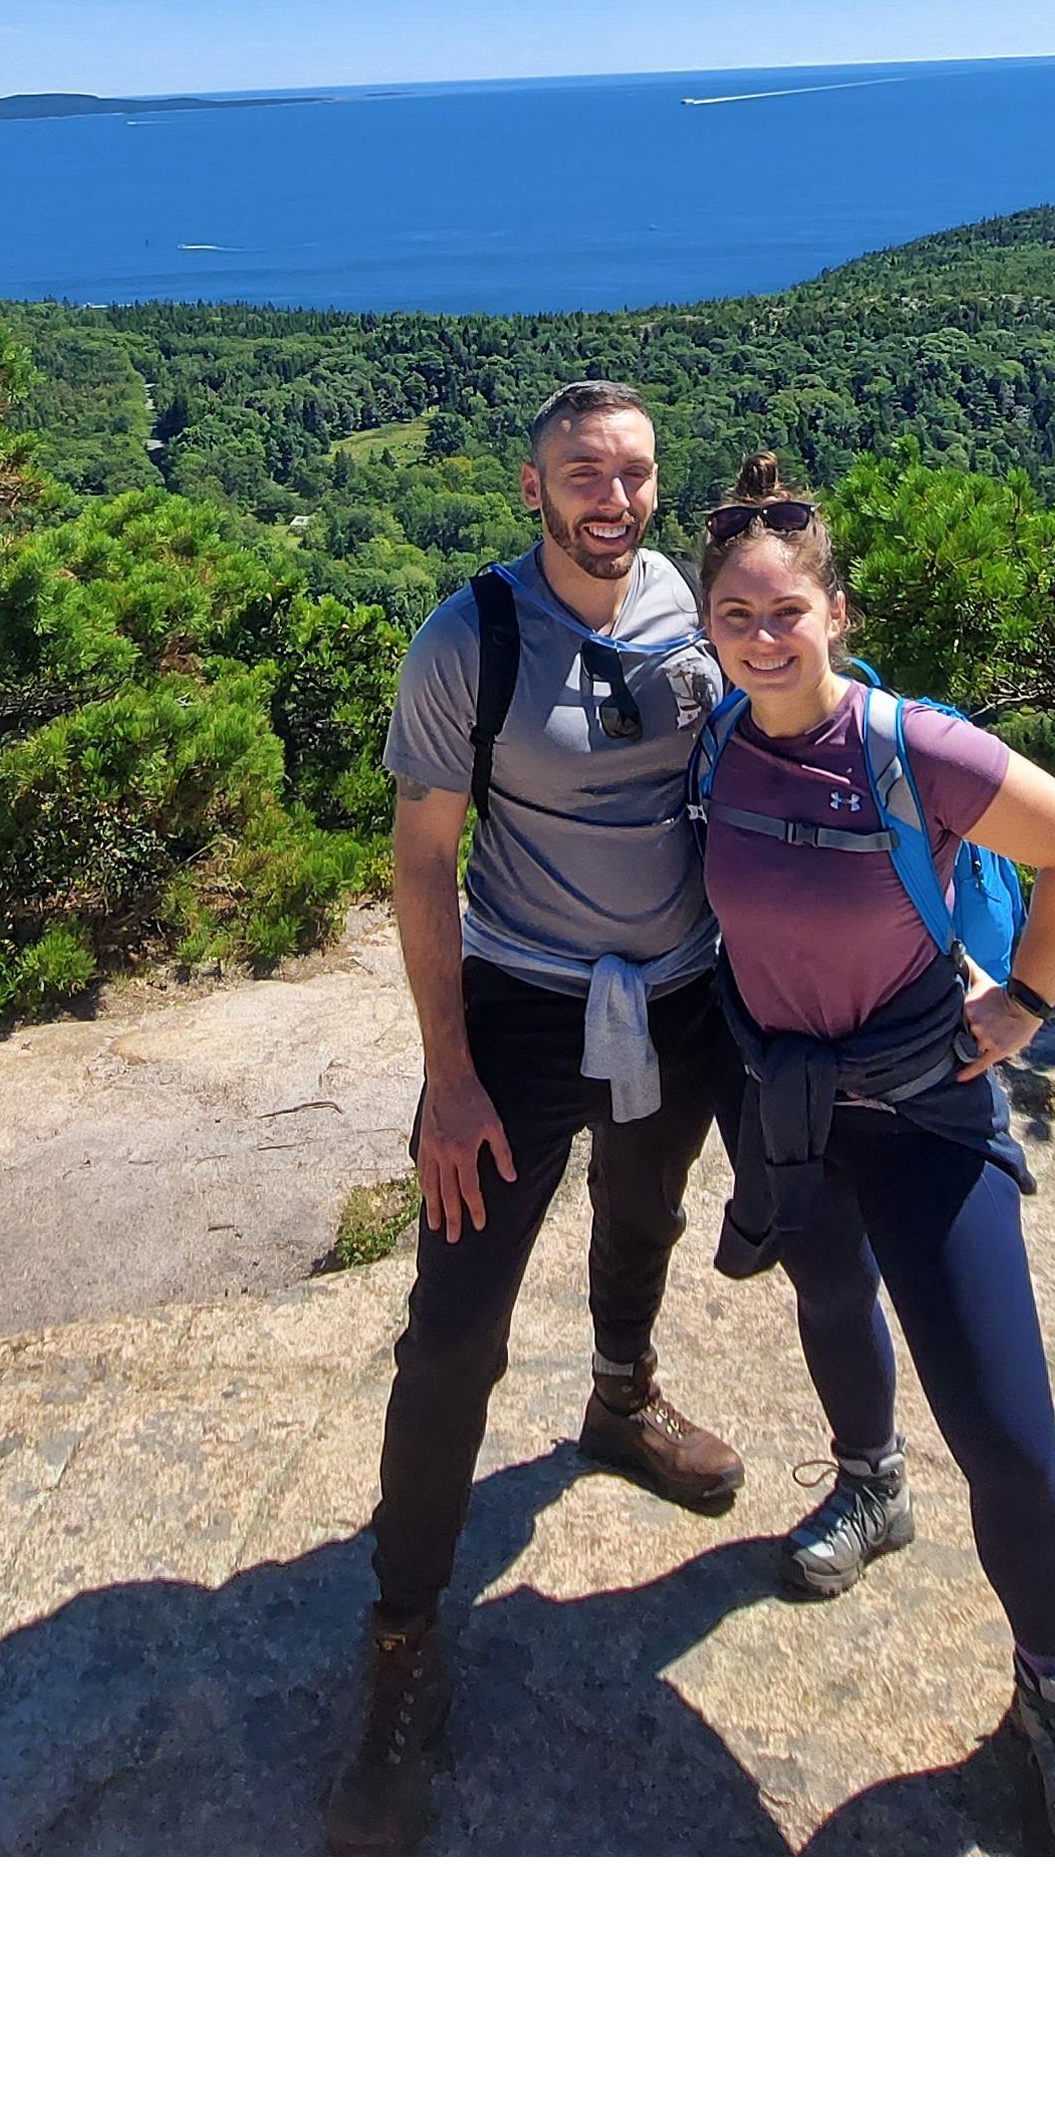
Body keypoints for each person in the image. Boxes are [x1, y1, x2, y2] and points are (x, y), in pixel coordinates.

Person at [688, 454, 1055, 1856]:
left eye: (787, 613)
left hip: (924, 1108)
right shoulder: (712, 740)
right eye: (736, 618)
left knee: (1007, 1438)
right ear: (708, 628)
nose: (763, 639)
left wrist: (1025, 1007)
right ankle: (871, 1486)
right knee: (828, 1300)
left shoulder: (907, 747)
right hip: (788, 1098)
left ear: (835, 612)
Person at [324, 377, 746, 1855]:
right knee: (454, 1331)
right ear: (532, 487)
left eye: (632, 471)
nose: (611, 497)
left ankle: (621, 1401)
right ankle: (400, 1633)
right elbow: (424, 856)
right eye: (583, 472)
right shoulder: (475, 637)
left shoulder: (691, 602)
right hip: (518, 1007)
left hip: (679, 994)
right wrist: (447, 1075)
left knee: (647, 1215)